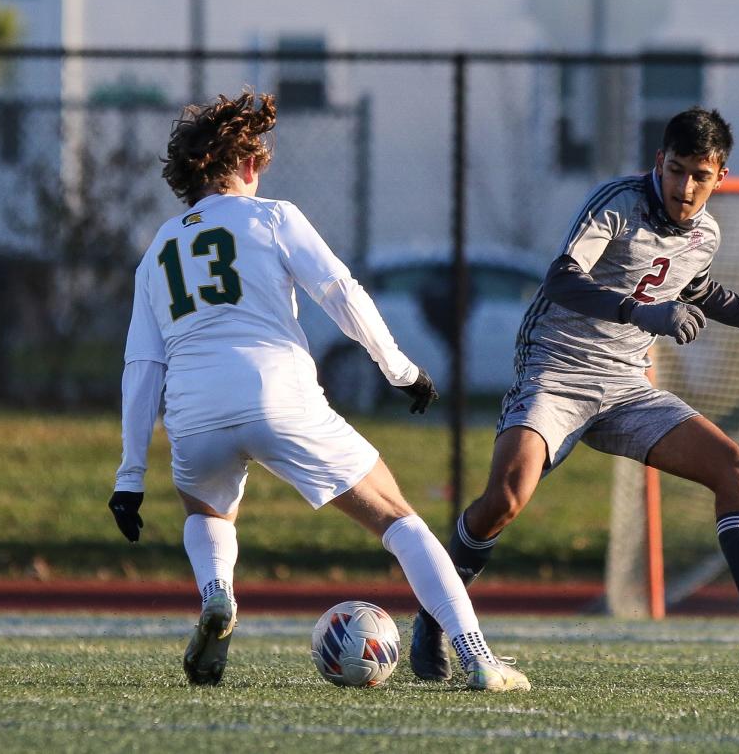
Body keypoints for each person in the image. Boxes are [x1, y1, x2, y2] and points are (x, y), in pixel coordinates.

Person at [107, 90, 529, 692]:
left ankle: (218, 594)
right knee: (400, 520)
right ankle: (478, 657)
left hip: (193, 412)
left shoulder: (157, 251)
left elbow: (141, 364)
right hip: (278, 395)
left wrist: (129, 476)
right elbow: (339, 291)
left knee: (207, 510)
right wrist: (399, 368)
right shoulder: (272, 216)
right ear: (248, 164)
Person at [411, 106, 739, 681]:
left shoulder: (706, 233)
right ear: (658, 163)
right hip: (556, 372)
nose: (685, 187)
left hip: (626, 387)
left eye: (699, 175)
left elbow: (699, 290)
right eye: (675, 170)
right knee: (506, 500)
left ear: (722, 178)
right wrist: (643, 312)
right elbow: (563, 278)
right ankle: (433, 616)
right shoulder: (616, 203)